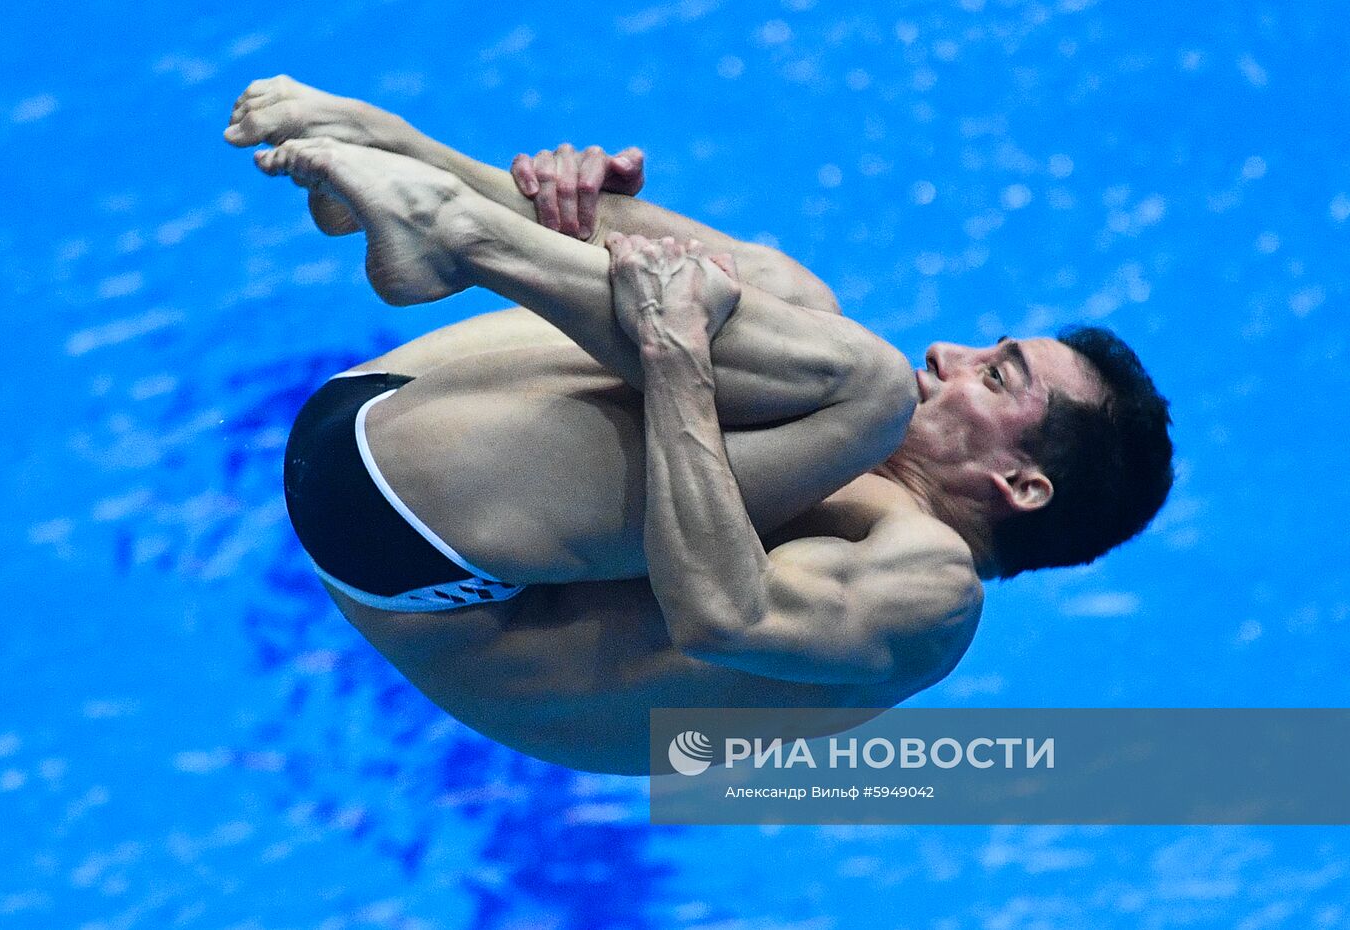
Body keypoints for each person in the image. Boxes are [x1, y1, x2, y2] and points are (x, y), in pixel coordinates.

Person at [226, 77, 1174, 775]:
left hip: (407, 543)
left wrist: (679, 360)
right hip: (397, 417)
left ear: (1023, 485)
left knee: (865, 379)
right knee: (800, 304)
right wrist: (593, 225)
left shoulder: (930, 596)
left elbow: (727, 615)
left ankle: (460, 229)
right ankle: (434, 184)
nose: (948, 351)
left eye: (993, 375)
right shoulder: (845, 455)